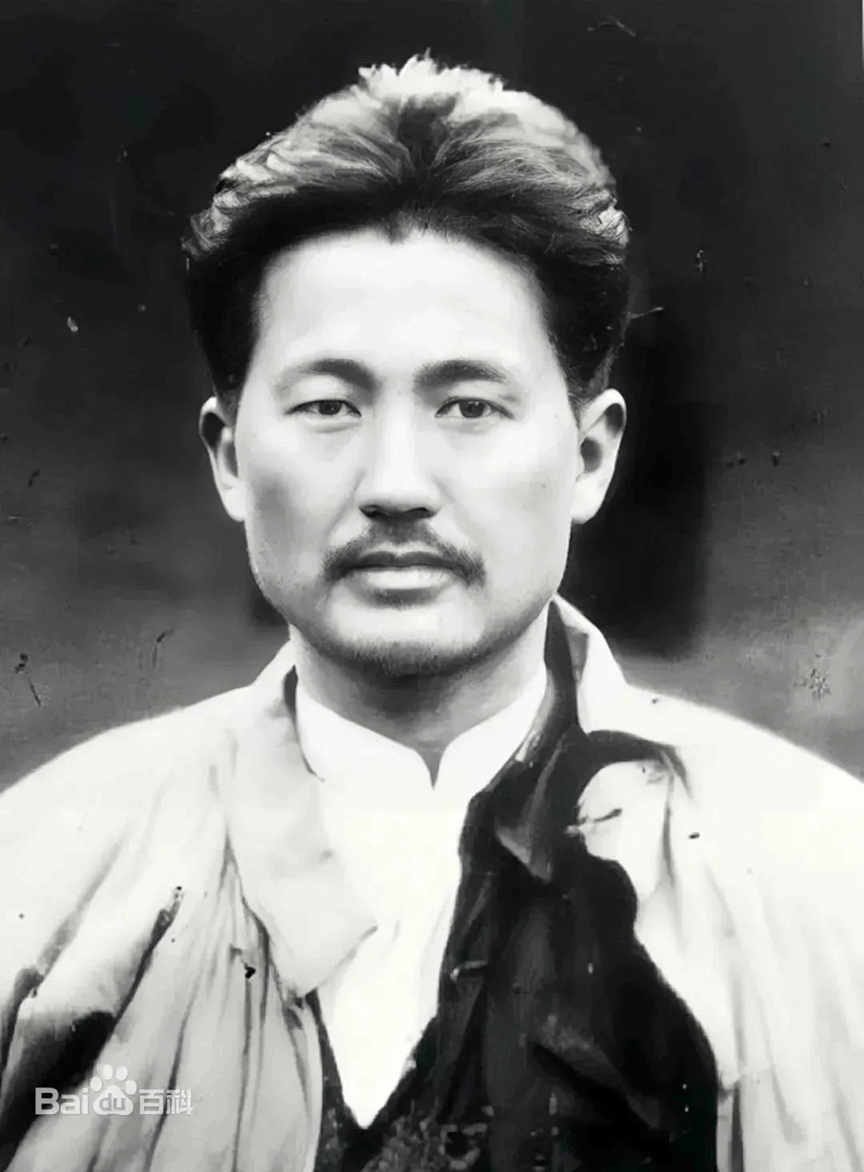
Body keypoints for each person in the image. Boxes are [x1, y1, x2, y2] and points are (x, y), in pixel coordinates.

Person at [0, 56, 861, 1172]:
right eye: (328, 405)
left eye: (469, 405)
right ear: (229, 456)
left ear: (590, 454)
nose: (396, 483)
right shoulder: (42, 875)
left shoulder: (827, 874)